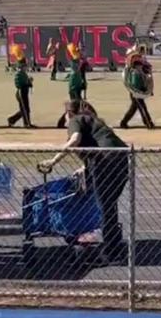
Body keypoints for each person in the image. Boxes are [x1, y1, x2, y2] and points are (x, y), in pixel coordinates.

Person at [39, 101, 129, 263]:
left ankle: (110, 252)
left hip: (105, 162)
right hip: (122, 159)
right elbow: (98, 144)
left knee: (106, 207)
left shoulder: (76, 120)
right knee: (109, 205)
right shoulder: (94, 122)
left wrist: (54, 160)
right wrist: (84, 167)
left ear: (69, 114)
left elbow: (75, 139)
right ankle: (114, 245)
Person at [120, 48, 155, 129]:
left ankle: (123, 122)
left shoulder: (139, 72)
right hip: (136, 93)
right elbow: (135, 85)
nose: (140, 66)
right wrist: (141, 90)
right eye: (139, 65)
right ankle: (148, 123)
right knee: (143, 108)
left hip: (138, 93)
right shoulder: (134, 73)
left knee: (133, 109)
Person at [58, 43, 91, 128]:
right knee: (76, 105)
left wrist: (83, 83)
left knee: (75, 106)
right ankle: (66, 122)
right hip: (74, 86)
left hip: (77, 84)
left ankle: (63, 123)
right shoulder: (73, 60)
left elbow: (83, 71)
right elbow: (69, 53)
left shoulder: (79, 61)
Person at [7, 46, 36, 128]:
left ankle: (12, 120)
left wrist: (29, 82)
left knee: (24, 109)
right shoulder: (19, 73)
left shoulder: (23, 73)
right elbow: (18, 84)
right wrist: (27, 83)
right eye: (24, 65)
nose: (26, 66)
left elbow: (25, 82)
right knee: (25, 109)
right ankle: (27, 123)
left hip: (24, 91)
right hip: (21, 92)